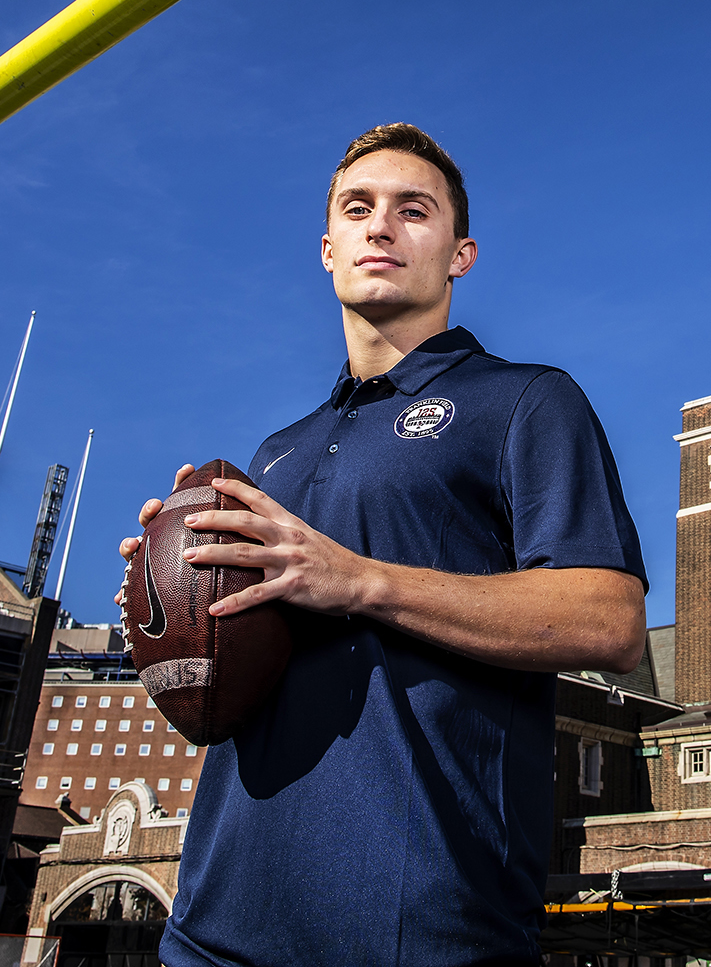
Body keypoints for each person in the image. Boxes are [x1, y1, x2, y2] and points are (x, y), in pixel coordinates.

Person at [118, 123, 648, 967]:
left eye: (414, 210)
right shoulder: (274, 452)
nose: (381, 226)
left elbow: (612, 619)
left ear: (459, 254)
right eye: (358, 208)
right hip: (215, 926)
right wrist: (163, 604)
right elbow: (233, 682)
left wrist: (360, 580)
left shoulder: (526, 402)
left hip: (421, 932)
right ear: (327, 249)